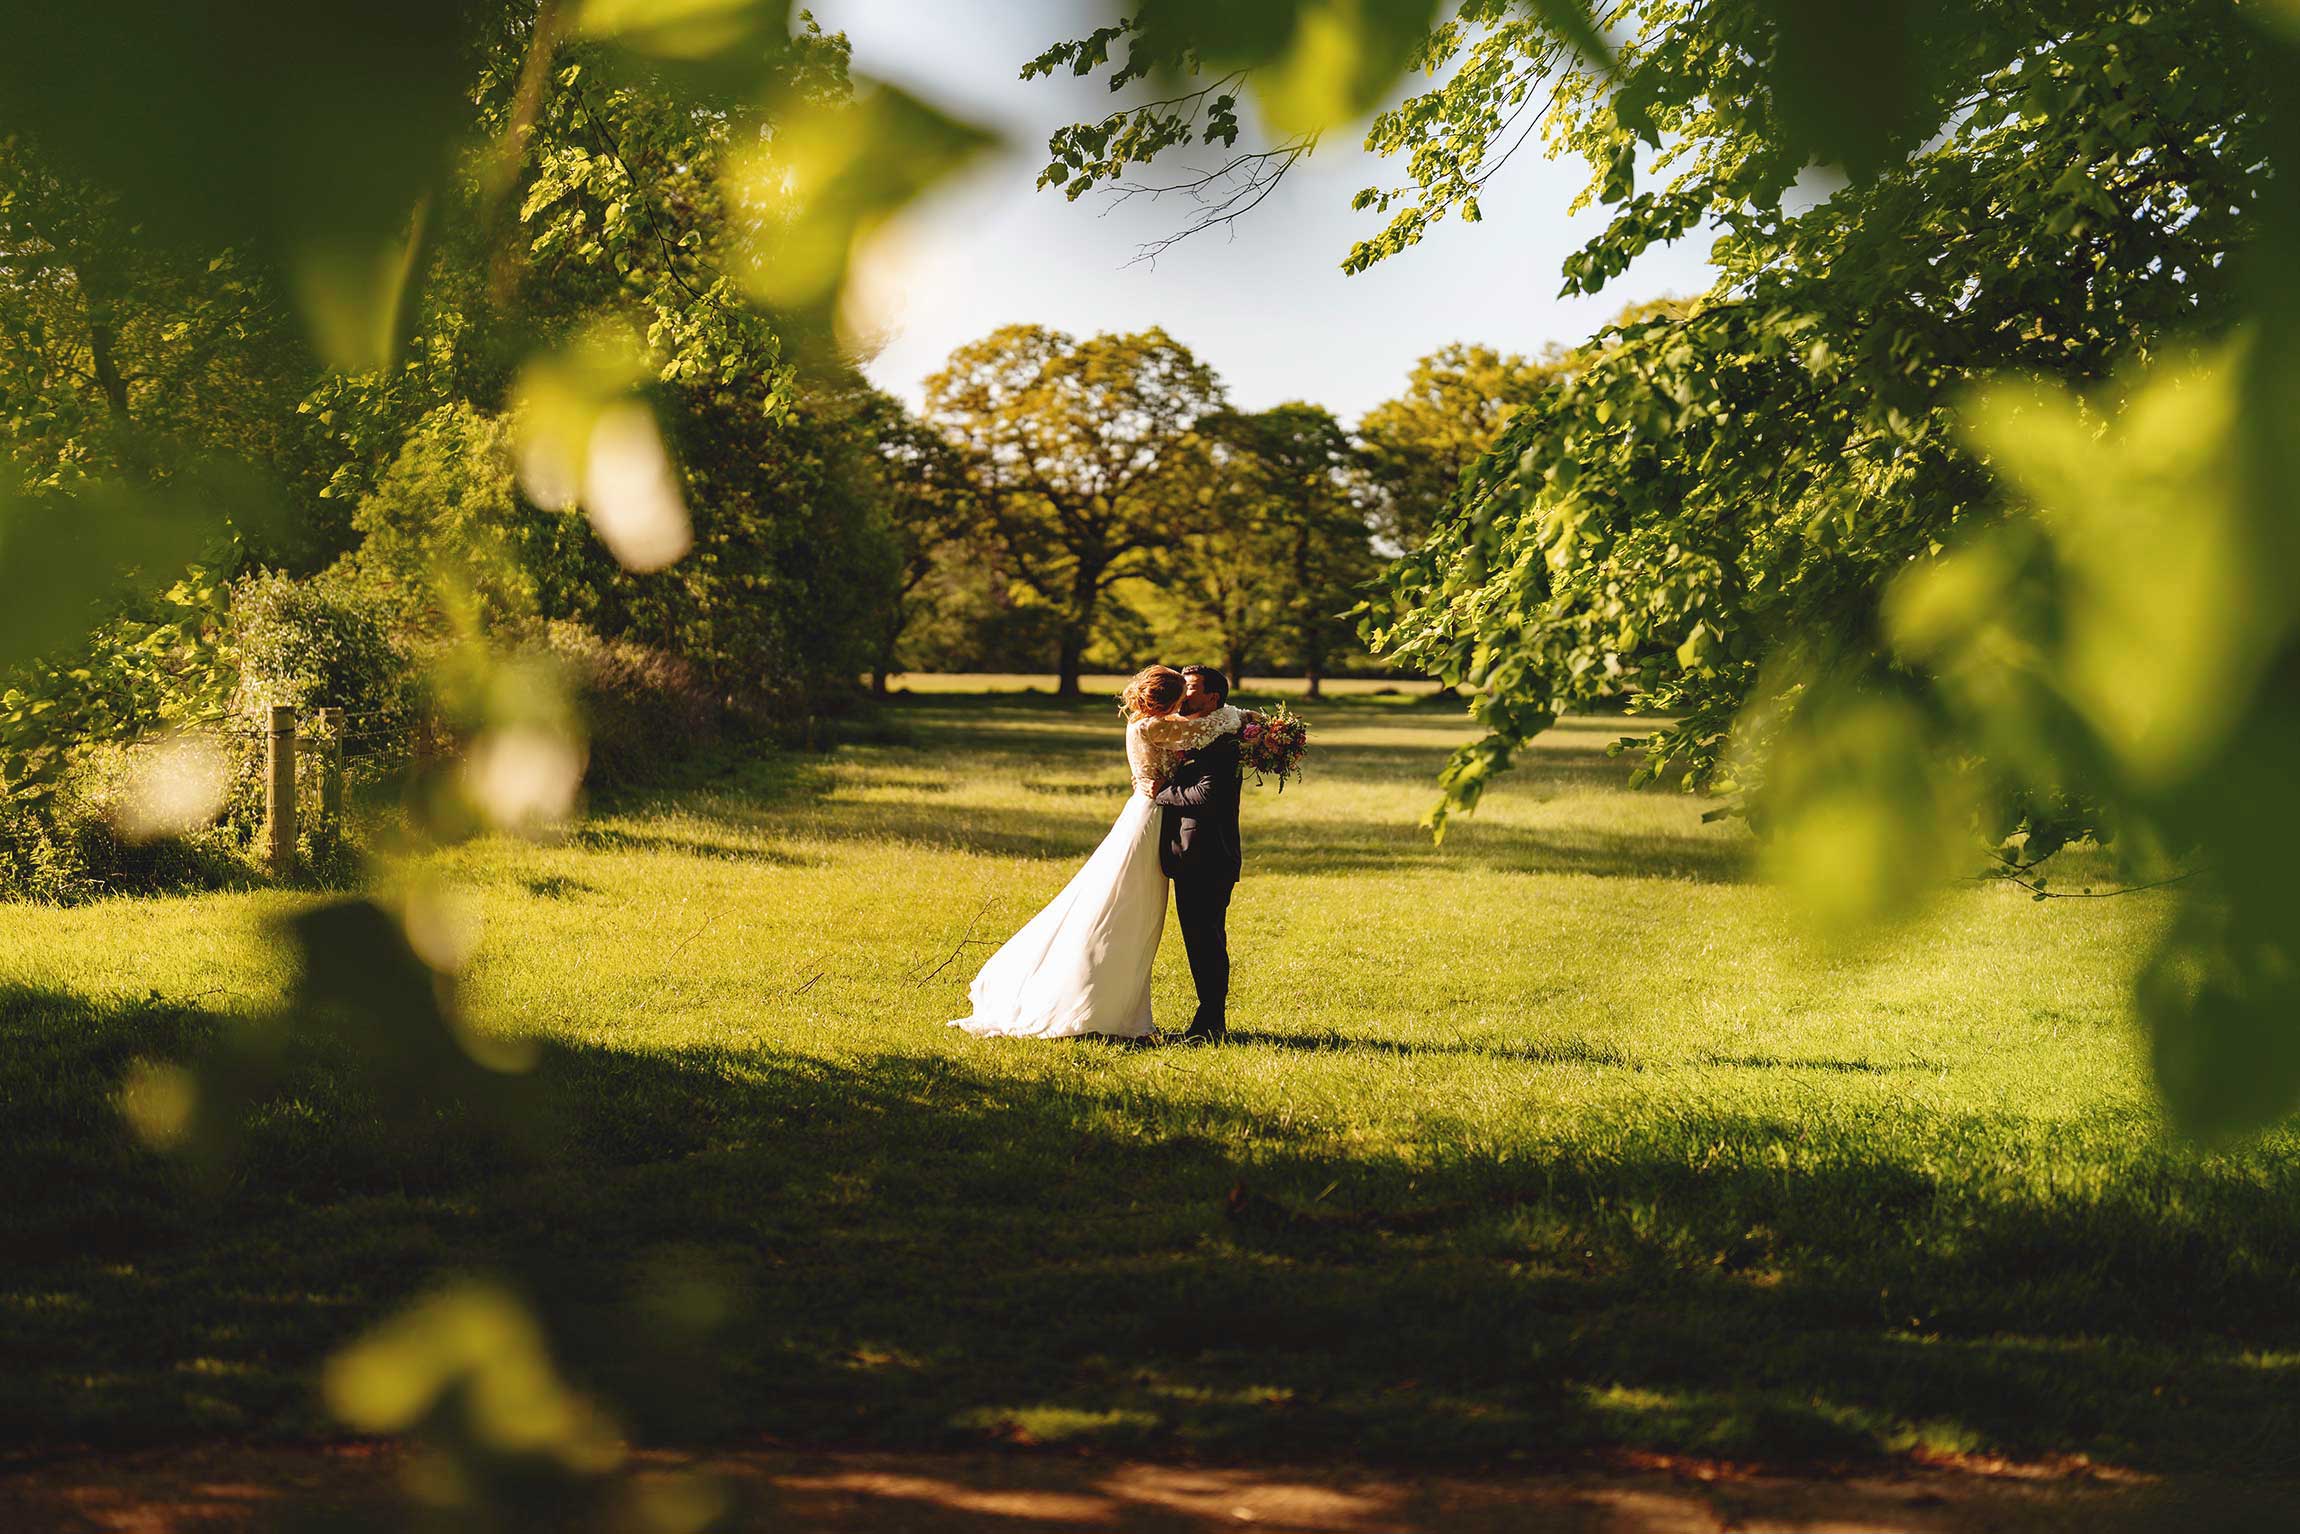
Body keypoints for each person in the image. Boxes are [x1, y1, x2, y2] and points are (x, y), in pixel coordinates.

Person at [948, 666, 1247, 1040]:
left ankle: (1121, 1007)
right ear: (1168, 700)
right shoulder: (1152, 727)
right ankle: (1093, 1004)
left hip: (1157, 823)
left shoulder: (1160, 723)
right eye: (1181, 693)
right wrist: (1247, 719)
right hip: (1147, 818)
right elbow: (1208, 728)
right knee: (1119, 911)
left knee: (1135, 917)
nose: (1186, 700)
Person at [1149, 665, 1246, 1044]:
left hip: (1209, 857)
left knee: (1206, 941)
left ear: (1213, 699)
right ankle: (1209, 1022)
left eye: (1190, 689)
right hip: (1191, 857)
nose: (1183, 696)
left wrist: (1160, 791)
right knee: (1200, 940)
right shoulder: (1198, 734)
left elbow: (1207, 797)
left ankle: (1210, 1026)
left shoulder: (1223, 743)